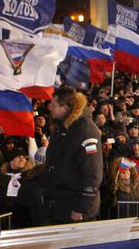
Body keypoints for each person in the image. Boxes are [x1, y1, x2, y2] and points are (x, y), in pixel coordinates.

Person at [43, 87, 103, 224]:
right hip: (59, 205)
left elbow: (93, 174)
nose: (49, 107)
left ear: (65, 108)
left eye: (53, 105)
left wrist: (81, 207)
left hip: (76, 211)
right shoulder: (60, 127)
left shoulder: (86, 130)